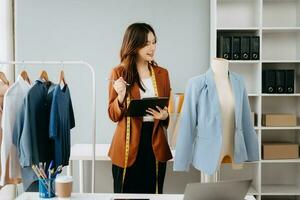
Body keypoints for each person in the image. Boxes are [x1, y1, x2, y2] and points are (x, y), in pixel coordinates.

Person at [107, 23, 172, 194]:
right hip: (127, 143)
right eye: (146, 43)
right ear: (134, 45)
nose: (152, 48)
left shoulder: (162, 74)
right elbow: (113, 115)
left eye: (154, 42)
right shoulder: (119, 73)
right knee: (125, 195)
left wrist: (165, 115)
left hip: (155, 144)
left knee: (154, 195)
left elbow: (166, 113)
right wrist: (120, 96)